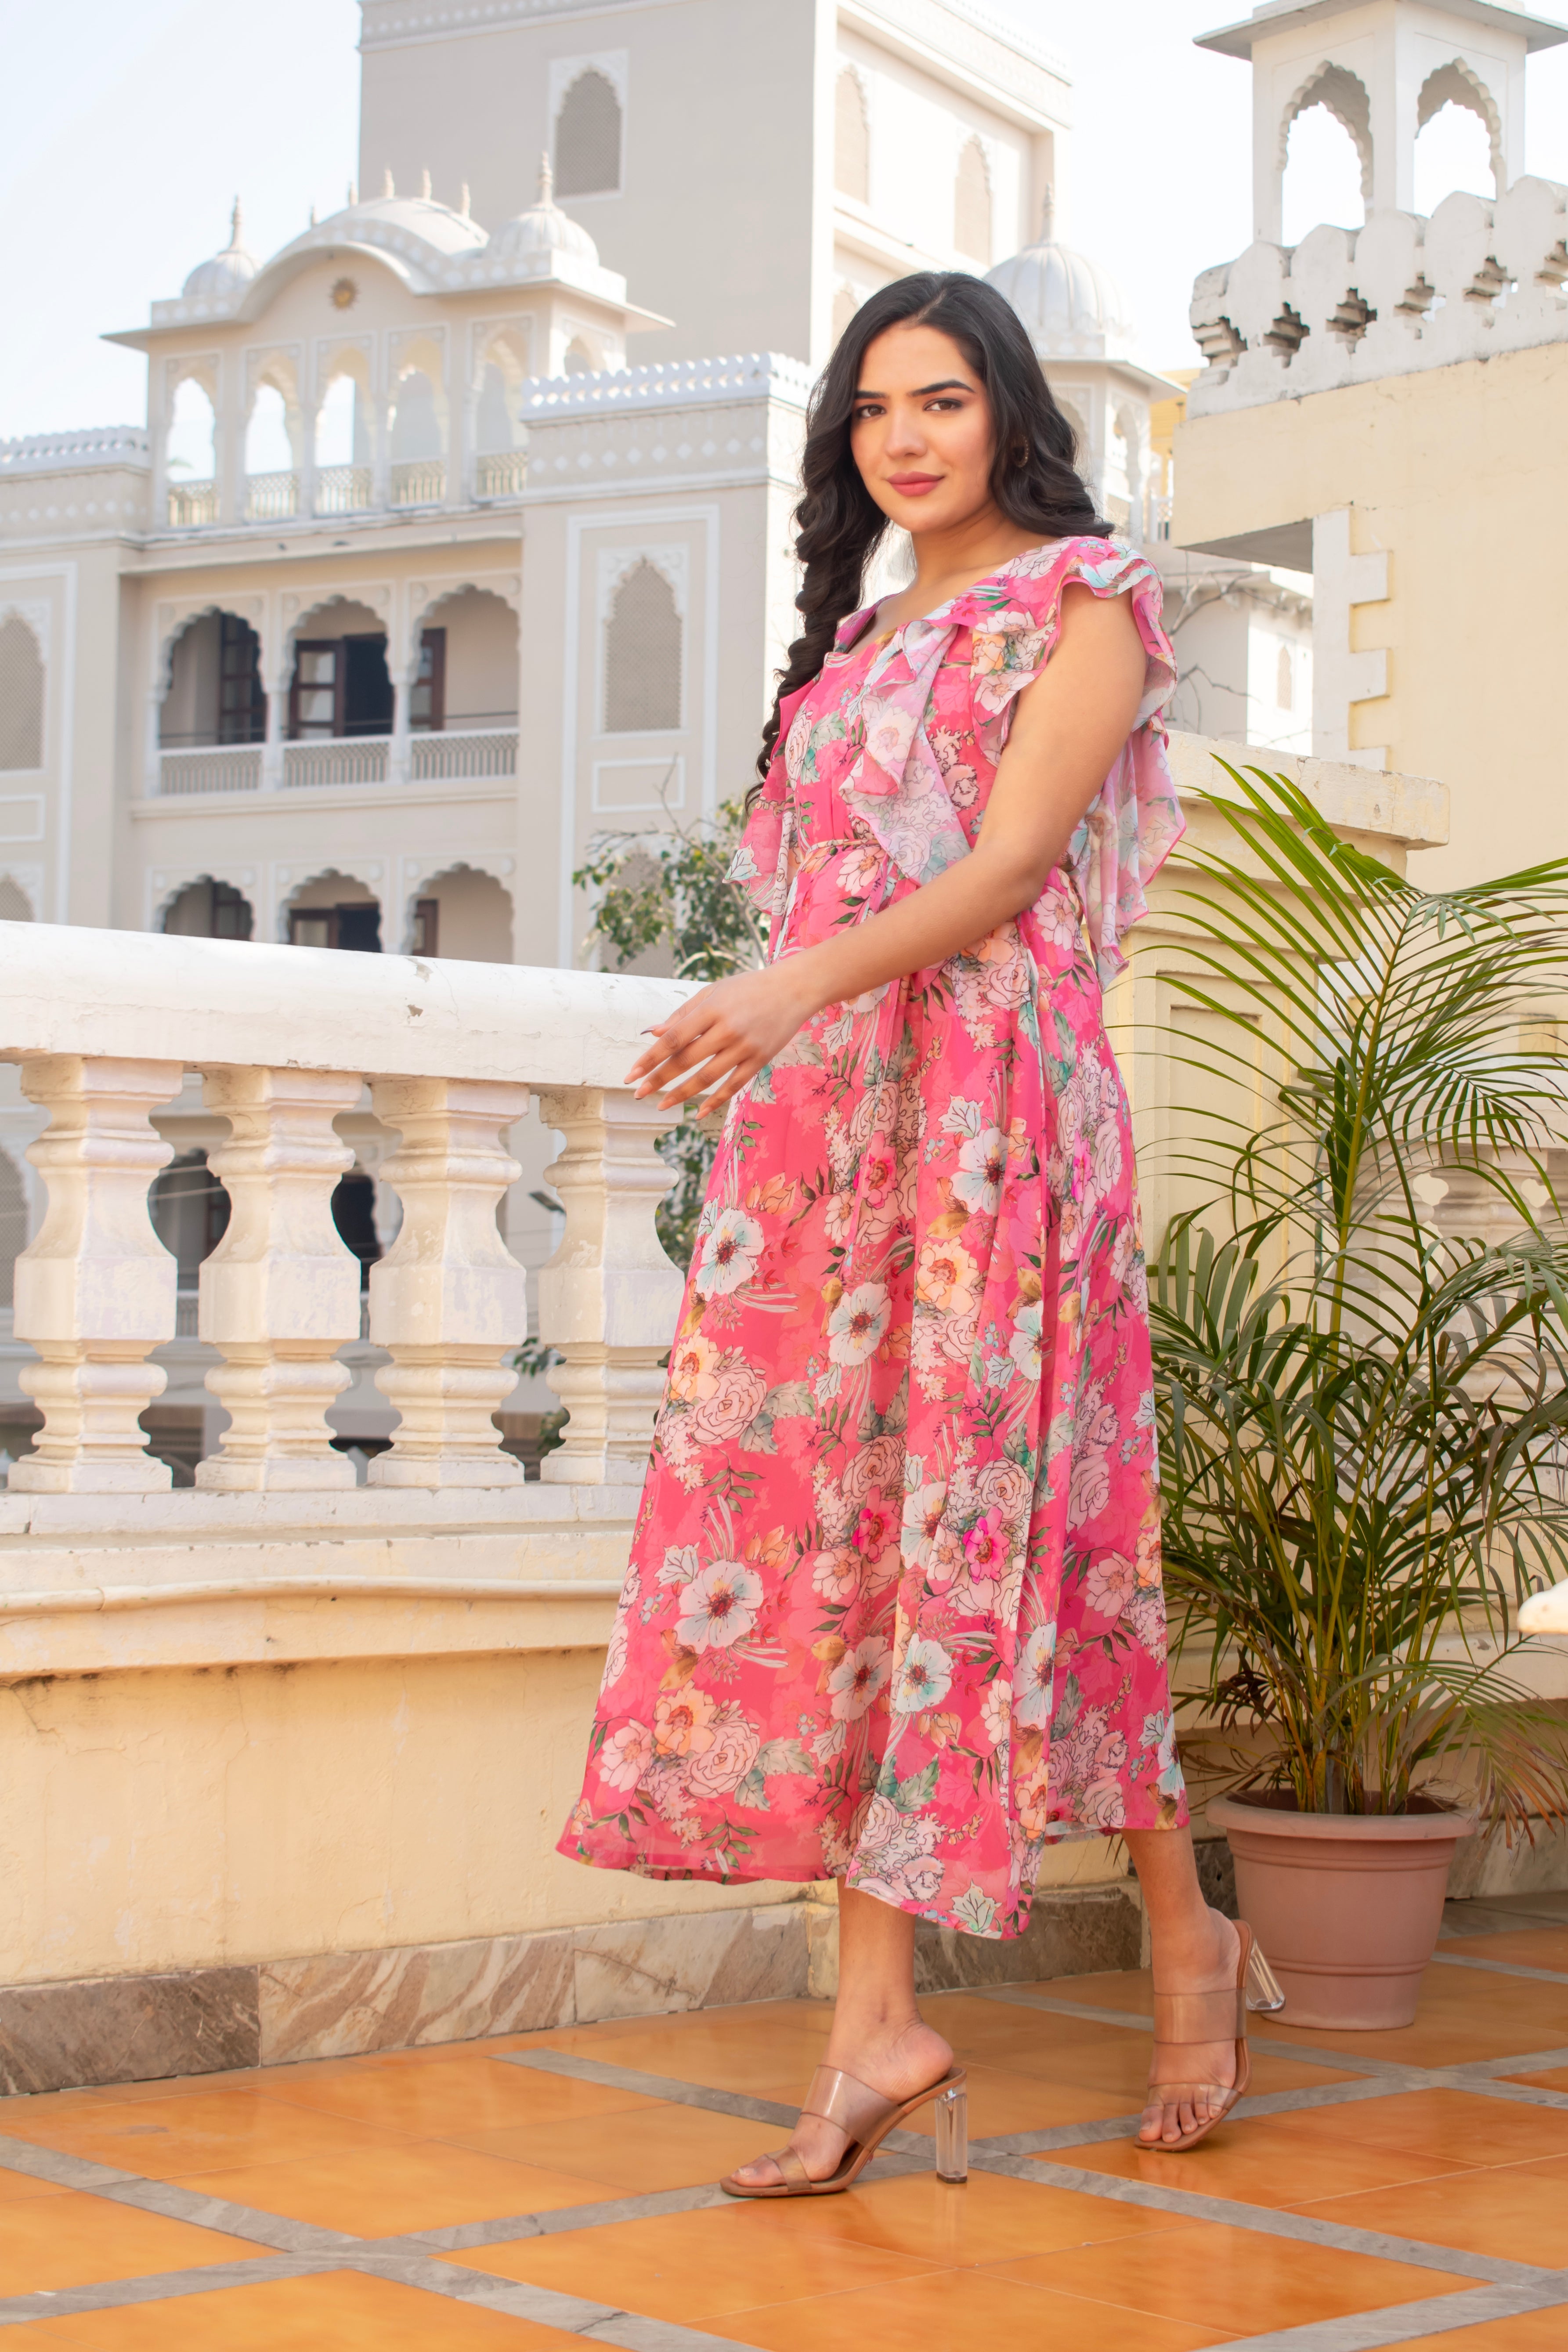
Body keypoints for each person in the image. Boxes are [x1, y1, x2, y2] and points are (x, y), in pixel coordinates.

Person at [559, 271, 1275, 2195]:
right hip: (828, 1137)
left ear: (1006, 411)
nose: (904, 435)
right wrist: (791, 1031)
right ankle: (870, 2024)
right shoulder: (862, 638)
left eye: (941, 398)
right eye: (873, 406)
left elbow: (1007, 870)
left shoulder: (1089, 601)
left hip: (993, 1118)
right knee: (842, 1544)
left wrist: (786, 992)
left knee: (1036, 1540)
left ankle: (1182, 1930)